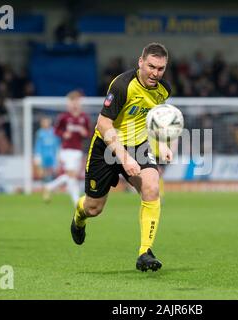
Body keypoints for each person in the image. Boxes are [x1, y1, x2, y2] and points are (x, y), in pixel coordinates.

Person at [71, 43, 172, 272]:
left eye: (161, 68)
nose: (155, 73)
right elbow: (103, 123)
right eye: (151, 67)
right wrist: (124, 158)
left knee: (152, 187)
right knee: (94, 208)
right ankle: (79, 215)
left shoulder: (163, 90)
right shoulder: (123, 85)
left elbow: (157, 118)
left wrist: (163, 144)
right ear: (140, 62)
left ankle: (144, 252)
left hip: (138, 146)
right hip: (106, 146)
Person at [43, 90, 91, 206]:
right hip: (66, 150)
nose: (75, 104)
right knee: (72, 176)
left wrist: (85, 133)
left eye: (77, 101)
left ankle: (49, 186)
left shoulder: (84, 118)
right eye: (72, 101)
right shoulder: (64, 117)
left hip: (78, 150)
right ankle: (77, 203)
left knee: (72, 177)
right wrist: (63, 134)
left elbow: (89, 133)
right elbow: (56, 130)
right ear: (68, 103)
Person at [34, 116, 60, 188]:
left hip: (52, 155)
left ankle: (52, 188)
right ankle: (45, 188)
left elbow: (57, 144)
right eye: (44, 122)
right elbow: (38, 145)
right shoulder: (40, 133)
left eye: (47, 122)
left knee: (53, 172)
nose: (45, 123)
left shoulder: (54, 132)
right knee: (43, 172)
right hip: (43, 156)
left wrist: (58, 154)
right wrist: (37, 156)